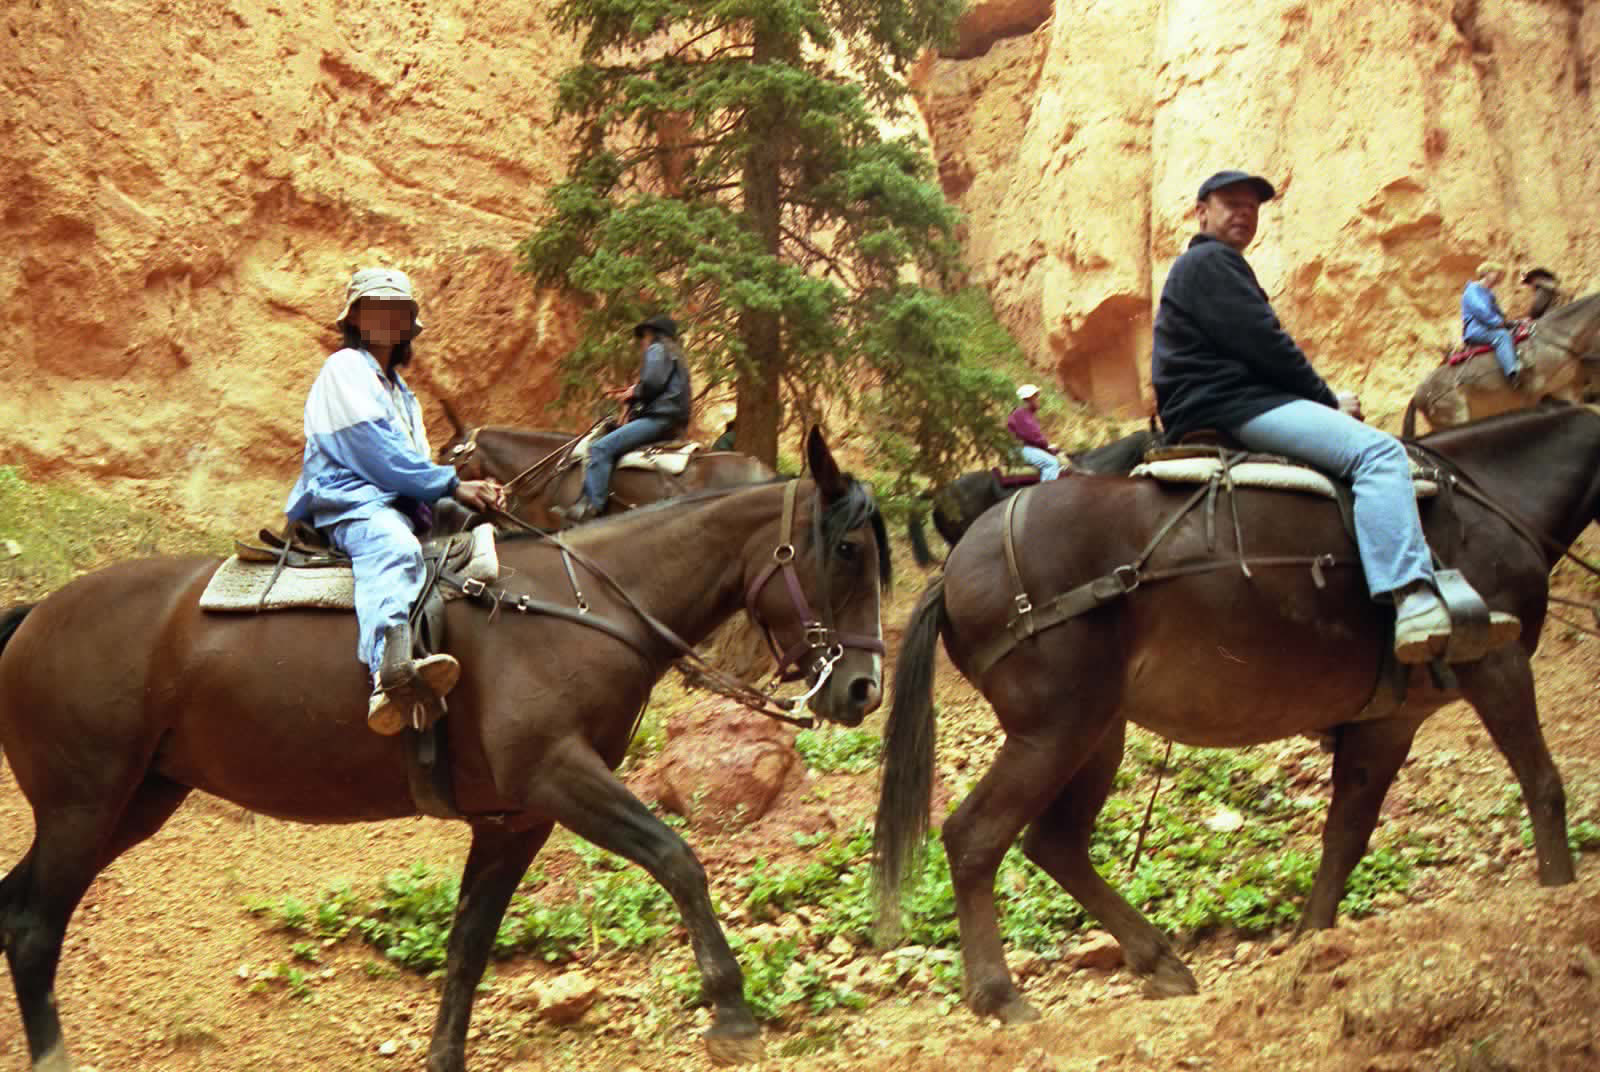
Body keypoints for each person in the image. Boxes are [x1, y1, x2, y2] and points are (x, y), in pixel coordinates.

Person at [1151, 169, 1518, 664]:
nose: (1244, 213)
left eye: (1252, 207)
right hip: (1231, 404)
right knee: (1379, 454)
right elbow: (1267, 345)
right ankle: (1412, 600)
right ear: (1201, 213)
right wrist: (1326, 400)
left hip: (1218, 400)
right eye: (1231, 203)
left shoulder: (1203, 267)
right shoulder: (1212, 261)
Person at [285, 268, 507, 735]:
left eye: (397, 311)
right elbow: (376, 453)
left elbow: (413, 465)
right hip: (351, 502)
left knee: (484, 530)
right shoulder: (344, 369)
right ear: (355, 319)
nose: (387, 318)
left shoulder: (403, 395)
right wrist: (451, 485)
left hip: (401, 504)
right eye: (375, 308)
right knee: (395, 547)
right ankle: (389, 674)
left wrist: (471, 495)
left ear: (408, 325)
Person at [558, 314, 693, 525]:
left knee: (600, 448)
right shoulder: (677, 355)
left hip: (659, 418)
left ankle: (591, 507)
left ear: (652, 334)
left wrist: (634, 392)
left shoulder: (657, 349)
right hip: (673, 419)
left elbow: (652, 384)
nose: (642, 342)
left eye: (644, 337)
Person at [1461, 261, 1521, 384]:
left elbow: (1498, 314)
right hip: (1476, 330)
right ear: (1486, 273)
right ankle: (1512, 374)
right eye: (1497, 273)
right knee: (1502, 336)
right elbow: (1481, 310)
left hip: (1488, 327)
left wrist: (1511, 323)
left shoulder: (1489, 294)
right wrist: (1498, 323)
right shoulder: (1472, 290)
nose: (1499, 277)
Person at [1007, 384, 1061, 481]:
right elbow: (1033, 436)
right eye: (1035, 396)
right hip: (1019, 450)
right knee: (1052, 463)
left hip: (1024, 449)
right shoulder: (1020, 413)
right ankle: (1045, 490)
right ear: (1028, 399)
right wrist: (1048, 447)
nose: (1038, 399)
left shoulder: (1026, 414)